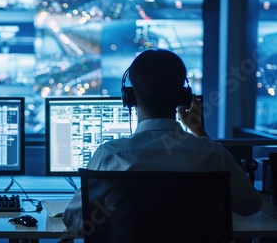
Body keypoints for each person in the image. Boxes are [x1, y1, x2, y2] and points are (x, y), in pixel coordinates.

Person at [62, 49, 262, 235]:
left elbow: (75, 222)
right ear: (184, 97)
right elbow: (250, 206)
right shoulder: (211, 154)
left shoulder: (110, 156)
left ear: (129, 97)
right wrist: (201, 134)